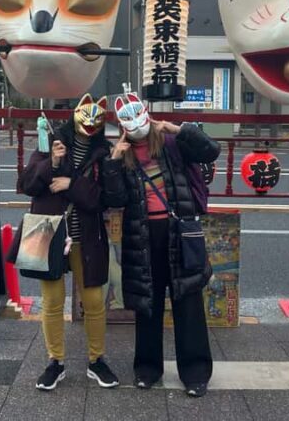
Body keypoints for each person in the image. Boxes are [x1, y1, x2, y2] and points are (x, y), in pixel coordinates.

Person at [102, 93, 220, 397]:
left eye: (139, 118)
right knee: (148, 303)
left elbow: (211, 151)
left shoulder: (171, 142)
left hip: (178, 231)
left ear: (147, 114)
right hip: (141, 235)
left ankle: (195, 372)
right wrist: (113, 162)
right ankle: (147, 369)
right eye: (128, 122)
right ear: (122, 126)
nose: (136, 127)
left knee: (188, 302)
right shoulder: (123, 154)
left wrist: (179, 129)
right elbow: (115, 200)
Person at [18, 94, 119, 391]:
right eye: (86, 117)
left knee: (94, 301)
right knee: (52, 301)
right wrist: (52, 162)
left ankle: (96, 360)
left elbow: (104, 199)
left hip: (87, 236)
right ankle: (55, 362)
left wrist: (71, 184)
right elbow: (27, 184)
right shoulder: (51, 143)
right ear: (75, 114)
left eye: (97, 119)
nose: (90, 125)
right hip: (49, 234)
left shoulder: (103, 153)